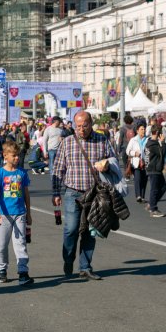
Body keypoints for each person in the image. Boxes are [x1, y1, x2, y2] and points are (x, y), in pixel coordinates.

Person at [52, 111, 113, 281]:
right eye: (78, 126)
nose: (81, 129)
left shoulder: (102, 140)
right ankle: (68, 259)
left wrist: (106, 166)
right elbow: (58, 168)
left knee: (89, 231)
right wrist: (56, 192)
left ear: (91, 123)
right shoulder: (68, 142)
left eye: (84, 126)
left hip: (94, 193)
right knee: (71, 229)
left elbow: (113, 161)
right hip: (73, 192)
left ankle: (85, 266)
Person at [0, 141, 34, 286]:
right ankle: (2, 270)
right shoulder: (0, 174)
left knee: (21, 244)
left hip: (20, 214)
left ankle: (23, 272)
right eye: (14, 156)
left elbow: (26, 194)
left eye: (18, 155)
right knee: (2, 245)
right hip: (5, 215)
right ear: (5, 156)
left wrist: (28, 213)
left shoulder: (21, 173)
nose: (17, 158)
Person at [145, 124, 166, 217]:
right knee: (154, 189)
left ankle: (151, 203)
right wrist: (162, 142)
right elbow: (162, 152)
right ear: (158, 133)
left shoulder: (151, 142)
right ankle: (153, 209)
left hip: (156, 168)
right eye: (161, 132)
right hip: (153, 169)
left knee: (163, 187)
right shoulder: (152, 144)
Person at [125, 122, 149, 203]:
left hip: (146, 163)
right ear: (137, 131)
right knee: (137, 179)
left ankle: (142, 196)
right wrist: (134, 153)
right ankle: (138, 196)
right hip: (136, 163)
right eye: (141, 129)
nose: (143, 130)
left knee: (144, 180)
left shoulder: (147, 139)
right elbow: (127, 151)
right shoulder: (133, 140)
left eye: (144, 129)